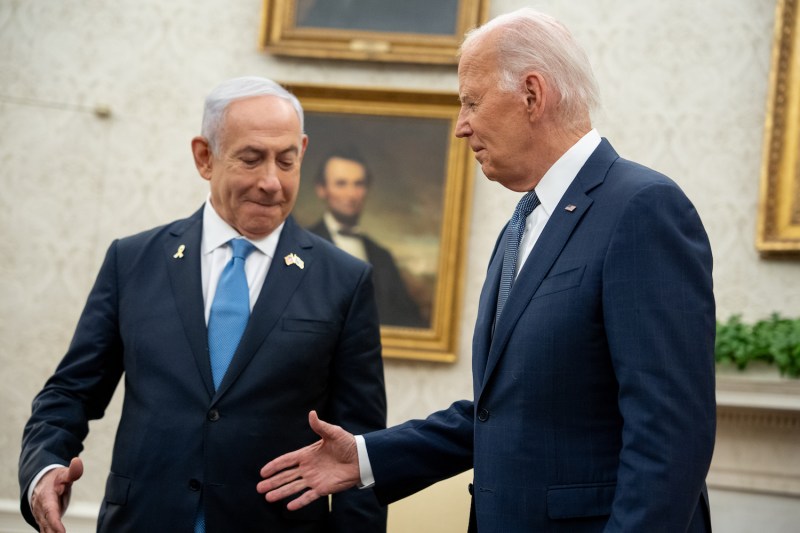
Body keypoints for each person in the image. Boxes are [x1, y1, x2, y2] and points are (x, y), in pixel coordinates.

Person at [258, 8, 716, 533]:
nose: (461, 126)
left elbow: (671, 434)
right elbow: (504, 412)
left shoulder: (642, 208)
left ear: (531, 94)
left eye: (471, 102)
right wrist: (365, 458)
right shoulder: (523, 223)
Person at [18, 76, 388, 533]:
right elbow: (70, 392)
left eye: (287, 161)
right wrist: (44, 468)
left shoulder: (344, 279)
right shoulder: (133, 261)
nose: (271, 182)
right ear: (204, 157)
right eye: (251, 159)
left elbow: (362, 443)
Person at [307, 148, 426, 328]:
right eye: (341, 183)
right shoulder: (302, 247)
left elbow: (409, 321)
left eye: (358, 184)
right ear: (322, 189)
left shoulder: (382, 257)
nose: (351, 194)